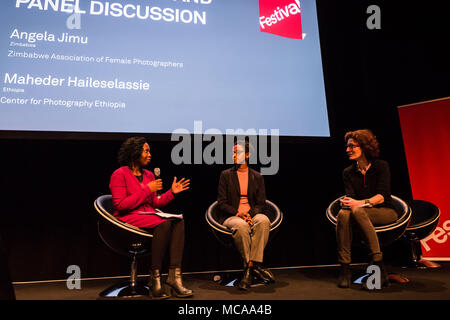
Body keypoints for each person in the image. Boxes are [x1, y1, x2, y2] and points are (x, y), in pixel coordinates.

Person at [109, 137, 192, 299]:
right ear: (135, 153)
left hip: (148, 215)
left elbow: (155, 202)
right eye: (146, 151)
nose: (149, 155)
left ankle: (174, 276)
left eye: (149, 151)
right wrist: (147, 189)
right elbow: (121, 205)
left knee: (178, 221)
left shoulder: (148, 174)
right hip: (128, 217)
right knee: (165, 224)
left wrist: (171, 193)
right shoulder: (119, 174)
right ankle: (155, 278)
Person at [336, 129, 398, 289]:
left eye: (352, 146)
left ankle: (377, 263)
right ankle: (345, 267)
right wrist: (347, 202)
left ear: (364, 146)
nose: (347, 150)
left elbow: (382, 196)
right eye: (347, 147)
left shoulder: (381, 166)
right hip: (361, 213)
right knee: (343, 214)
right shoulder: (348, 172)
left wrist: (359, 203)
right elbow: (351, 199)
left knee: (357, 210)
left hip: (385, 211)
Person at [217, 140, 275, 290]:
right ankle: (255, 266)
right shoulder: (226, 175)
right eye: (233, 152)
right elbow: (221, 203)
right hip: (232, 216)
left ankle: (249, 267)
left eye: (238, 152)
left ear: (248, 155)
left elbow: (261, 203)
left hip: (251, 214)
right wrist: (238, 213)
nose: (234, 155)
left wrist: (249, 214)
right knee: (241, 226)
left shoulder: (257, 176)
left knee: (263, 220)